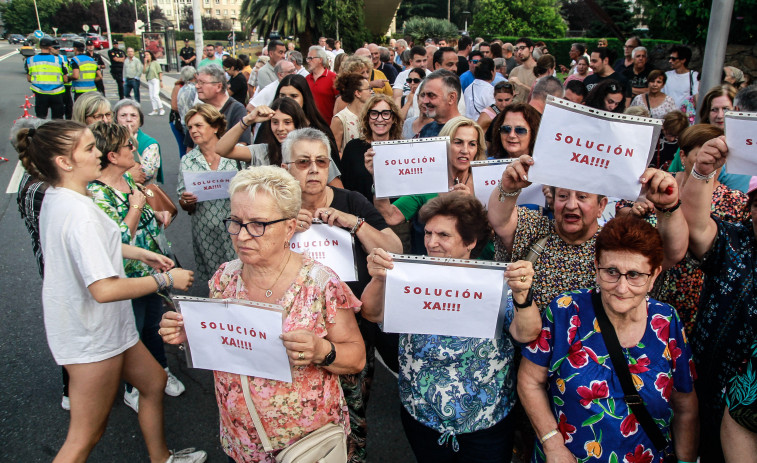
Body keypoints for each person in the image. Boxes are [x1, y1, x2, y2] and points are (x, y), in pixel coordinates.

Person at [17, 119, 204, 463]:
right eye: (89, 149)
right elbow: (103, 289)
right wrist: (165, 280)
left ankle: (161, 458)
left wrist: (138, 252)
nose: (98, 153)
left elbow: (99, 245)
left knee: (152, 383)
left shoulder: (63, 197)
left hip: (105, 327)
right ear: (64, 162)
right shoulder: (79, 212)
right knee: (85, 437)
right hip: (92, 335)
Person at [159, 165, 366, 463]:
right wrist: (188, 334)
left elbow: (356, 356)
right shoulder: (224, 278)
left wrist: (322, 349)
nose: (242, 236)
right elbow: (223, 345)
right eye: (235, 221)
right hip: (241, 440)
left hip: (305, 446)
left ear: (289, 226)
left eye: (258, 224)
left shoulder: (320, 284)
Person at [361, 192, 542, 461]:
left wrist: (522, 297)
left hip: (485, 424)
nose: (431, 243)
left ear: (470, 242)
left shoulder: (493, 282)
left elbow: (526, 333)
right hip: (421, 417)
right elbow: (371, 312)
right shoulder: (409, 275)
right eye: (428, 233)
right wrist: (378, 279)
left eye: (443, 235)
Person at [518, 211, 699, 463]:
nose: (622, 288)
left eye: (635, 275)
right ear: (596, 266)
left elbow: (685, 406)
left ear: (654, 275)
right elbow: (529, 382)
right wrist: (553, 445)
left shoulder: (666, 321)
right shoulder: (566, 311)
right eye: (611, 271)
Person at [283, 128, 401, 461]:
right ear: (286, 167)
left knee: (353, 420)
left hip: (354, 333)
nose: (313, 170)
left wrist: (356, 224)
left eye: (321, 161)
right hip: (296, 337)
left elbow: (395, 250)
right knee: (299, 422)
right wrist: (285, 227)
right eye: (303, 162)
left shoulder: (352, 202)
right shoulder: (277, 211)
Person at [88, 122, 186, 413]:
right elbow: (114, 240)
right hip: (126, 278)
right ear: (112, 157)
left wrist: (154, 214)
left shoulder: (129, 181)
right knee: (133, 332)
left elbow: (142, 213)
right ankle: (134, 387)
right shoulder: (97, 193)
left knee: (153, 325)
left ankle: (162, 370)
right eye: (129, 146)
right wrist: (134, 207)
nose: (135, 149)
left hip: (152, 269)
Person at [679, 134, 757, 461]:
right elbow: (696, 225)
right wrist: (702, 171)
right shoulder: (734, 242)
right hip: (711, 394)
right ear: (750, 210)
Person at [369, 116, 486, 250]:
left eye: (472, 144)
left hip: (477, 263)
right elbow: (390, 216)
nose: (465, 150)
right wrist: (378, 177)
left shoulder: (484, 181)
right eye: (458, 142)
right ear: (444, 145)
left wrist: (471, 207)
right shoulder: (428, 182)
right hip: (432, 260)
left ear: (478, 149)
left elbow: (496, 230)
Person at [177, 104, 239, 284]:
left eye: (198, 125)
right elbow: (185, 204)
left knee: (243, 277)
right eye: (189, 127)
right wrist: (186, 201)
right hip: (206, 231)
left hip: (236, 228)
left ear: (215, 127)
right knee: (216, 280)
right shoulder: (187, 161)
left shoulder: (235, 153)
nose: (193, 131)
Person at [216, 97, 341, 184]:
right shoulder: (261, 151)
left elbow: (337, 190)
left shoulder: (315, 153)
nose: (280, 128)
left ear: (297, 123)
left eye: (287, 122)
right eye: (275, 122)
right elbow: (221, 149)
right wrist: (248, 120)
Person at [342, 95, 404, 201]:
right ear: (367, 118)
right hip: (360, 214)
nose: (379, 119)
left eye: (385, 114)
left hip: (396, 213)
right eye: (374, 114)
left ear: (393, 118)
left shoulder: (402, 149)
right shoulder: (352, 148)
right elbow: (346, 188)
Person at [196, 64, 252, 145]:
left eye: (202, 82)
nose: (197, 86)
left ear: (219, 86)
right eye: (197, 82)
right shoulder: (198, 110)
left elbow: (242, 145)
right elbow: (190, 148)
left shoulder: (236, 110)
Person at [114, 99, 162, 184]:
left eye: (133, 115)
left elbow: (145, 174)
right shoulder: (109, 141)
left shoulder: (150, 144)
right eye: (123, 115)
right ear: (116, 120)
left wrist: (130, 141)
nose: (128, 119)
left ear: (140, 121)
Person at [331, 73, 372, 156]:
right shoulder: (340, 119)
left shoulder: (372, 115)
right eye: (368, 89)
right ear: (358, 93)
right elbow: (335, 151)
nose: (371, 92)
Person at [26, 37, 66, 119]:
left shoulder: (31, 60)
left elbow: (29, 79)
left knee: (41, 118)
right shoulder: (58, 60)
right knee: (57, 120)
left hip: (40, 94)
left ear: (39, 47)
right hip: (56, 93)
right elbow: (65, 79)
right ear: (50, 47)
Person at [418, 69, 463, 138]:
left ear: (451, 98)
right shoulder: (426, 129)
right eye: (423, 95)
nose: (425, 101)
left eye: (431, 95)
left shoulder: (468, 131)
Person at [306, 46, 339, 122]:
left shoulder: (334, 78)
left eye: (311, 58)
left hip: (329, 126)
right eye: (307, 58)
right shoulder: (306, 79)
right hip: (311, 126)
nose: (308, 61)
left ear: (320, 59)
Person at [508, 38, 538, 103]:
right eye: (517, 49)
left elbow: (541, 95)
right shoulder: (515, 71)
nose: (519, 52)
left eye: (522, 48)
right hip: (515, 109)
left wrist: (521, 84)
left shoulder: (540, 70)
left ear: (531, 49)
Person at [143, 51, 165, 116]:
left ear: (151, 55)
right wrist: (145, 63)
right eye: (145, 55)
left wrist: (161, 81)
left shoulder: (155, 63)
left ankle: (161, 108)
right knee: (151, 96)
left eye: (147, 55)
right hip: (149, 80)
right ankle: (154, 109)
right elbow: (144, 72)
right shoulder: (147, 64)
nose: (146, 56)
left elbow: (160, 72)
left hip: (155, 79)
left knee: (155, 95)